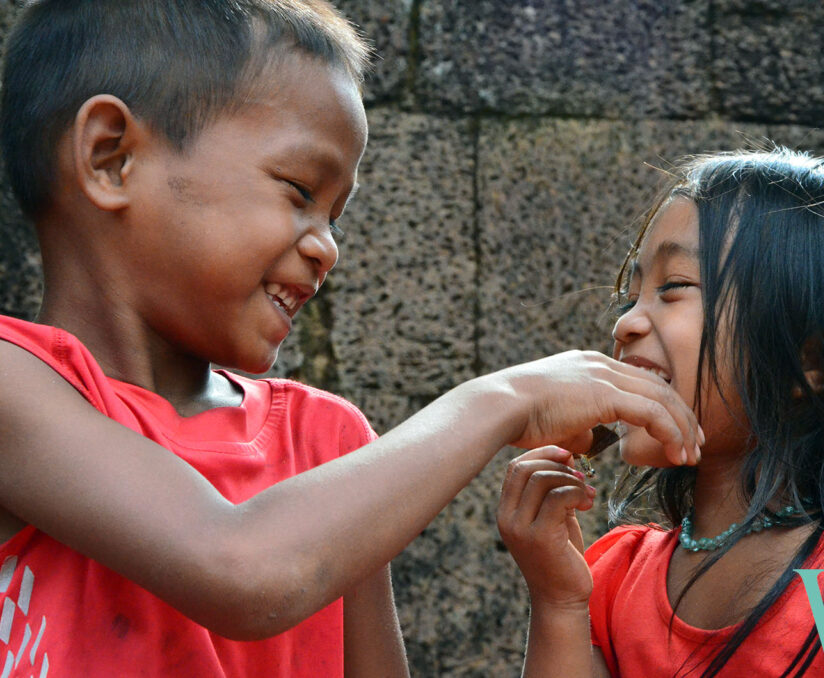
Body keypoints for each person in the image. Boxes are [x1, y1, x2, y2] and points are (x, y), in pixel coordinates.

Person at [0, 1, 702, 676]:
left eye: (336, 215)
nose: (327, 248)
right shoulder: (15, 387)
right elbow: (242, 568)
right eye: (299, 191)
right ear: (110, 157)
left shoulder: (326, 441)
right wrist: (504, 399)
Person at [498, 149, 824, 678]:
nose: (625, 324)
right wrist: (557, 601)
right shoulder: (606, 579)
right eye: (630, 296)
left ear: (807, 362)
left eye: (673, 288)